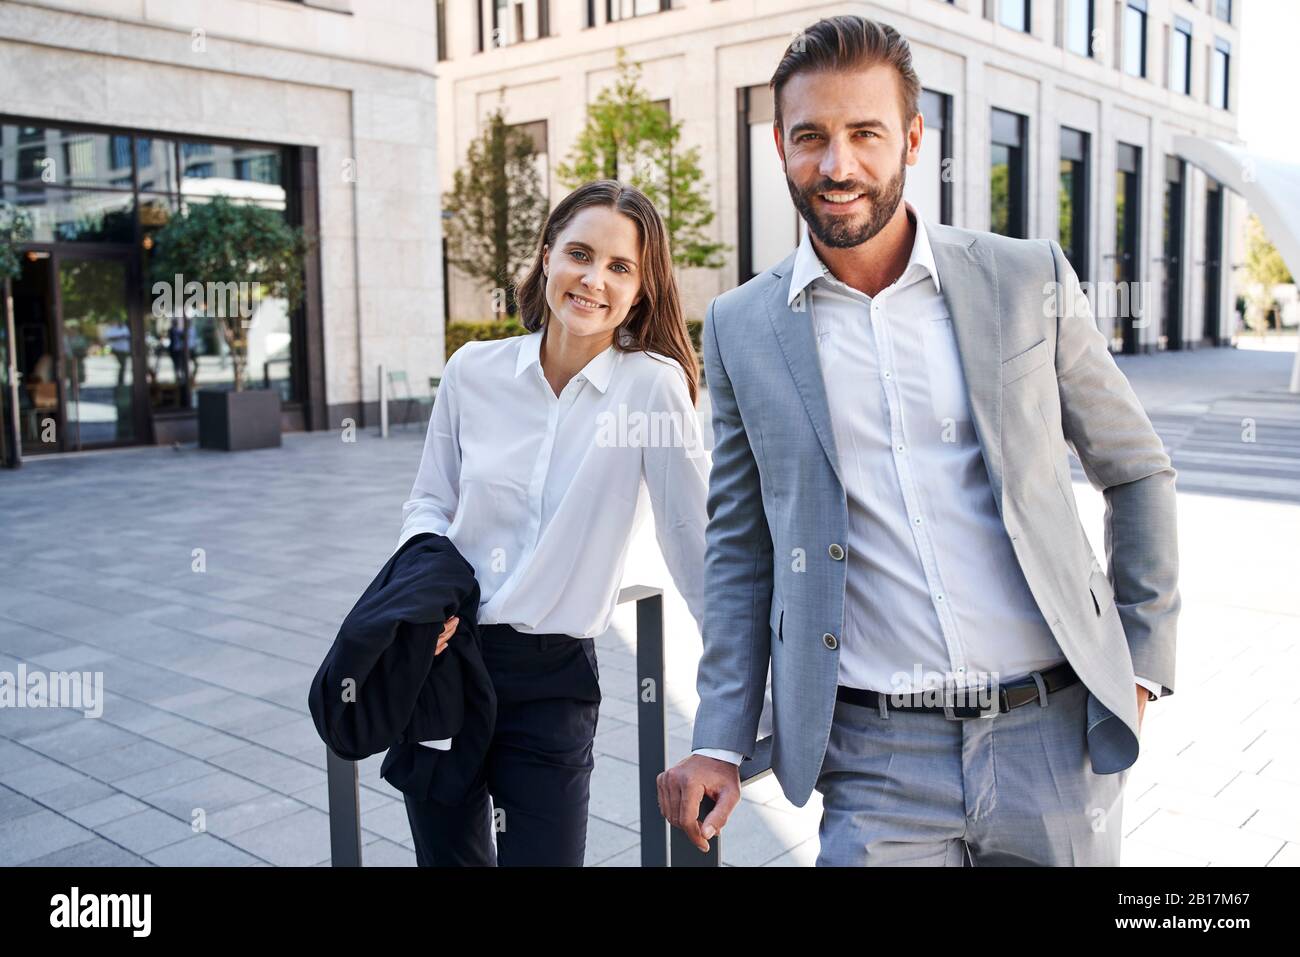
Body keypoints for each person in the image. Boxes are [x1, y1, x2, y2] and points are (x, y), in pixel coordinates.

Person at [659, 15, 1179, 866]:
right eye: (810, 137)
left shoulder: (1025, 278)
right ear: (780, 150)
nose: (838, 166)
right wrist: (720, 733)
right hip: (873, 757)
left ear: (910, 139)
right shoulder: (740, 327)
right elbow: (739, 550)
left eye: (865, 133)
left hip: (1052, 743)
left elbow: (1137, 467)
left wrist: (1141, 664)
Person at [396, 179, 710, 866]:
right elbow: (427, 504)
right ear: (546, 258)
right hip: (446, 658)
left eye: (620, 266)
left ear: (641, 289)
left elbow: (694, 543)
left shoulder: (651, 386)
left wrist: (738, 699)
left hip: (551, 681)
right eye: (579, 253)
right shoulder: (472, 371)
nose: (594, 279)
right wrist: (428, 598)